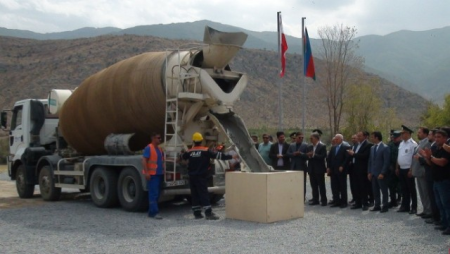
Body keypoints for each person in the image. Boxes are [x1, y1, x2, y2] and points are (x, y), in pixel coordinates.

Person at [181, 132, 237, 220]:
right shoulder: (205, 150)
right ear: (201, 141)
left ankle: (197, 213)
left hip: (192, 176)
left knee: (194, 194)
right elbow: (218, 156)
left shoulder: (189, 151)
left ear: (193, 141)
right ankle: (208, 213)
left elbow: (182, 157)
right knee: (203, 194)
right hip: (201, 176)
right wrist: (231, 157)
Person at [420, 130, 450, 235]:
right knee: (439, 203)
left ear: (445, 138)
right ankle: (443, 222)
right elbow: (430, 163)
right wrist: (427, 157)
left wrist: (431, 157)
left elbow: (442, 162)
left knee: (446, 203)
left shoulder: (446, 149)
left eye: (439, 137)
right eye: (436, 137)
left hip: (444, 180)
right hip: (436, 180)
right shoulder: (435, 147)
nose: (436, 139)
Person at [347, 131, 373, 211]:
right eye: (357, 136)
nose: (358, 138)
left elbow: (365, 156)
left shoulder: (368, 145)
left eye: (359, 136)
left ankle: (365, 203)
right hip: (355, 168)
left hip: (363, 169)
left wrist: (353, 154)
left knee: (363, 187)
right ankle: (358, 202)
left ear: (365, 137)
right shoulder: (357, 145)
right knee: (356, 186)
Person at [142, 132, 165, 219]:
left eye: (160, 138)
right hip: (153, 175)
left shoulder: (159, 149)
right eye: (158, 138)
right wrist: (146, 172)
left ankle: (151, 212)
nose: (160, 139)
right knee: (153, 194)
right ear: (153, 138)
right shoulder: (149, 148)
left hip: (159, 174)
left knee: (157, 194)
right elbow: (144, 160)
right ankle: (154, 212)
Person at [396, 125, 418, 214]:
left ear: (408, 133)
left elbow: (414, 158)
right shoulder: (401, 143)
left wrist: (411, 170)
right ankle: (405, 206)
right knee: (404, 188)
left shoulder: (413, 144)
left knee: (411, 189)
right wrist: (397, 167)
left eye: (403, 133)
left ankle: (414, 207)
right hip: (401, 168)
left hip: (408, 169)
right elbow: (399, 156)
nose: (402, 135)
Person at [412, 127, 432, 218]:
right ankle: (425, 209)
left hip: (423, 171)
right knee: (421, 192)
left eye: (420, 132)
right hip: (418, 171)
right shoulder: (420, 143)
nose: (418, 134)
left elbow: (427, 156)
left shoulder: (427, 142)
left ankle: (429, 211)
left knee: (425, 192)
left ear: (425, 133)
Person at [368, 131, 391, 213]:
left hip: (381, 173)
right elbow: (370, 161)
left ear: (376, 137)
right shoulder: (372, 148)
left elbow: (386, 162)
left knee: (384, 190)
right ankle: (377, 205)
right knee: (375, 190)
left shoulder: (385, 147)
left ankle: (385, 205)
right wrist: (369, 172)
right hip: (374, 173)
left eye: (372, 137)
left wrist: (383, 173)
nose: (371, 139)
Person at [327, 134, 350, 208]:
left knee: (342, 186)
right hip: (333, 170)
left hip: (341, 170)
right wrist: (328, 167)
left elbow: (347, 158)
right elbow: (329, 158)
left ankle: (344, 202)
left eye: (337, 139)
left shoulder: (345, 147)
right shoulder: (333, 148)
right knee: (334, 186)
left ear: (341, 139)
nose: (335, 140)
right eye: (335, 139)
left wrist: (342, 166)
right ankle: (336, 201)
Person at [307, 132, 327, 206]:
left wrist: (314, 155)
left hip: (319, 169)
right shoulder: (309, 147)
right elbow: (307, 156)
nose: (310, 140)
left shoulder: (322, 146)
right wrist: (308, 156)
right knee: (313, 185)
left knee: (321, 185)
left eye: (311, 138)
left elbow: (323, 156)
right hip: (311, 169)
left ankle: (324, 200)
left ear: (316, 138)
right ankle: (315, 199)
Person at [287, 132, 308, 200]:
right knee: (293, 182)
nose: (301, 139)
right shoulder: (291, 145)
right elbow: (287, 154)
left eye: (302, 138)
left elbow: (307, 156)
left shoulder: (305, 145)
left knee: (302, 183)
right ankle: (294, 197)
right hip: (293, 166)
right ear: (296, 138)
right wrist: (293, 154)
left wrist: (300, 154)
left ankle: (302, 198)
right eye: (299, 137)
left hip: (302, 167)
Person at [387, 130, 402, 208]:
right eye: (393, 137)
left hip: (401, 167)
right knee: (391, 185)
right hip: (391, 167)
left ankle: (400, 198)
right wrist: (389, 166)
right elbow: (387, 156)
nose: (394, 139)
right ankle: (393, 200)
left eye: (396, 138)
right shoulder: (390, 145)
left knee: (400, 185)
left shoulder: (402, 144)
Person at [347, 134, 358, 204]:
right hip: (351, 167)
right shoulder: (351, 146)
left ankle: (357, 198)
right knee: (352, 184)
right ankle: (354, 197)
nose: (353, 139)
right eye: (352, 138)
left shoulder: (358, 146)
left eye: (354, 138)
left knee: (357, 184)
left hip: (357, 167)